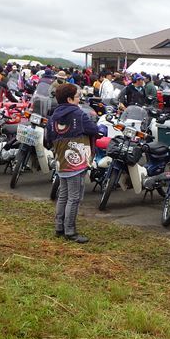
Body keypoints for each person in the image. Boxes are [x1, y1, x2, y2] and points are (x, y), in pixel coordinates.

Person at [46, 83, 100, 243]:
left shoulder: (53, 115)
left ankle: (59, 227)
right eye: (77, 97)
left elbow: (48, 138)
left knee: (63, 195)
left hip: (61, 160)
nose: (79, 100)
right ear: (69, 99)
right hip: (76, 161)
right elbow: (94, 130)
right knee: (74, 197)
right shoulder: (79, 114)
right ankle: (70, 231)